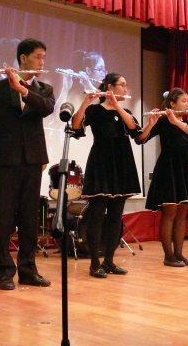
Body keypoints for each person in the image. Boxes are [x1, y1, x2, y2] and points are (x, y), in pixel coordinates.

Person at [0, 38, 54, 290]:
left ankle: (28, 270)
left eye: (44, 57)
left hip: (33, 160)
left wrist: (23, 89)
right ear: (23, 58)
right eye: (38, 57)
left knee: (30, 218)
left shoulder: (44, 89)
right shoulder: (0, 86)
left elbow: (46, 109)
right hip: (7, 160)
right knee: (4, 217)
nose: (42, 62)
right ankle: (4, 273)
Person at [72, 73, 158, 277]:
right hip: (101, 162)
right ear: (110, 87)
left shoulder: (125, 111)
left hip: (122, 163)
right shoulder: (94, 110)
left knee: (115, 217)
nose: (126, 89)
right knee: (97, 216)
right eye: (122, 85)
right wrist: (84, 103)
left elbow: (137, 134)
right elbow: (76, 127)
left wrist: (151, 124)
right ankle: (94, 263)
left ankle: (109, 260)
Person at [142, 88, 188, 267]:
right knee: (169, 213)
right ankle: (168, 256)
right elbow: (140, 139)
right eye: (183, 101)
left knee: (182, 213)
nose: (187, 104)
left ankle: (179, 254)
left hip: (185, 169)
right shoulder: (162, 122)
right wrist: (151, 123)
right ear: (172, 104)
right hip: (168, 168)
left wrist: (175, 120)